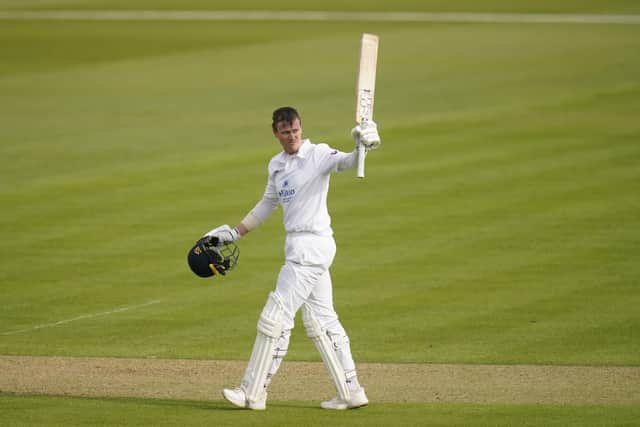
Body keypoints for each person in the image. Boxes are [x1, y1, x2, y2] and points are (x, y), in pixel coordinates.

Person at [206, 106, 380, 410]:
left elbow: (348, 163)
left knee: (275, 315)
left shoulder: (317, 154)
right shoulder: (277, 166)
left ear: (301, 127)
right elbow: (266, 205)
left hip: (311, 247)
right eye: (285, 132)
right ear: (276, 133)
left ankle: (252, 392)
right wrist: (234, 234)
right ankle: (351, 390)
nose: (292, 137)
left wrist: (363, 143)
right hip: (299, 246)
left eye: (295, 130)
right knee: (321, 320)